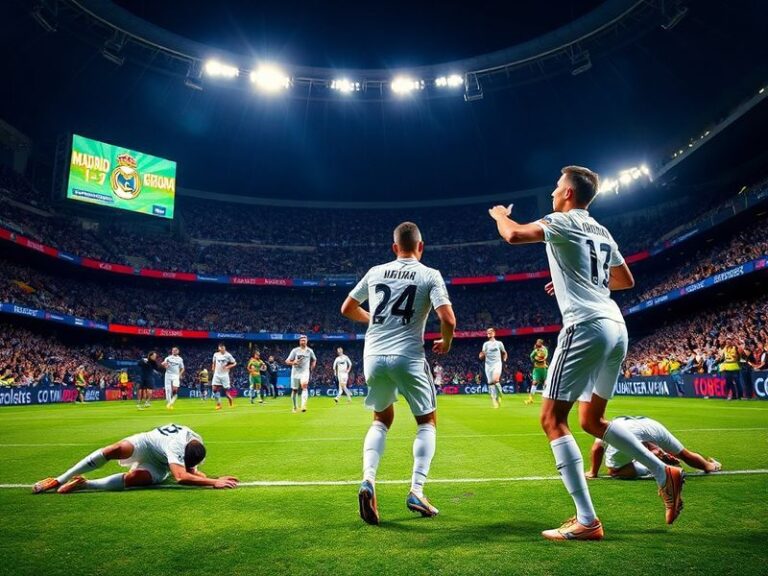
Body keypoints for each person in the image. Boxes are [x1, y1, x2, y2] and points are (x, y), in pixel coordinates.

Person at [489, 165, 684, 541]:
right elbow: (625, 280)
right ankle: (664, 472)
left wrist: (501, 216)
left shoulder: (562, 221)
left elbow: (513, 235)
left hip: (585, 326)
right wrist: (575, 273)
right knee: (592, 421)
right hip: (616, 327)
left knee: (551, 419)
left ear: (568, 194)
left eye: (556, 187)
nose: (551, 193)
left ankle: (587, 520)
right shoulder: (602, 230)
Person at [341, 221, 456, 525]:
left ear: (394, 247)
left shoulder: (376, 271)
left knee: (381, 418)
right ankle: (417, 489)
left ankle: (368, 480)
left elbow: (347, 308)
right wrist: (445, 342)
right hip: (408, 356)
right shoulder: (429, 274)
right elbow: (449, 319)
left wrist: (373, 322)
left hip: (373, 356)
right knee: (427, 421)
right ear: (421, 246)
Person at [32, 424, 238, 494]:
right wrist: (213, 482)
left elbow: (188, 471)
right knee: (115, 448)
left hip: (160, 463)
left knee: (133, 479)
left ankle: (85, 484)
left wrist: (207, 476)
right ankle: (58, 478)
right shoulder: (178, 445)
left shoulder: (197, 443)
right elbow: (181, 477)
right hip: (146, 442)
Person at [586, 416, 722, 479]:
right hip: (651, 425)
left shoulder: (607, 426)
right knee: (684, 454)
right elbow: (639, 438)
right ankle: (711, 466)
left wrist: (593, 472)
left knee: (615, 471)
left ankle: (654, 465)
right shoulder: (618, 420)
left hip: (628, 430)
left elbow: (597, 448)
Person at [285, 336, 317, 413]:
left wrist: (313, 365)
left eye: (304, 340)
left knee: (304, 386)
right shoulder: (295, 351)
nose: (303, 342)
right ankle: (295, 407)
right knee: (294, 390)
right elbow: (287, 361)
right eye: (301, 340)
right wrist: (293, 362)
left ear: (307, 341)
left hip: (305, 372)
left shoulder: (310, 351)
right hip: (295, 372)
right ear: (299, 342)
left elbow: (314, 359)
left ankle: (303, 405)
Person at [479, 328, 507, 408]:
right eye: (487, 332)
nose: (489, 333)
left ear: (494, 333)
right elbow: (482, 355)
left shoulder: (499, 343)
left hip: (497, 363)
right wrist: (481, 356)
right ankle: (494, 401)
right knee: (491, 383)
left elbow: (504, 353)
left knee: (496, 380)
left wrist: (504, 359)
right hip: (488, 365)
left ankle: (500, 394)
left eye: (490, 332)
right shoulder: (486, 344)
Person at [212, 343, 237, 411]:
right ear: (219, 348)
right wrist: (213, 369)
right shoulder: (215, 354)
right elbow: (213, 363)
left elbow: (235, 363)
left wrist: (228, 366)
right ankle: (218, 404)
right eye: (221, 348)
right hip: (217, 374)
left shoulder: (228, 355)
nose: (222, 349)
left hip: (224, 375)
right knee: (214, 389)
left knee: (226, 392)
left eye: (223, 348)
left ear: (224, 348)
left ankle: (231, 400)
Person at [718, 336, 742, 400]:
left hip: (734, 367)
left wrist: (736, 344)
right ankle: (733, 396)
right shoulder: (725, 348)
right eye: (726, 342)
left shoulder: (735, 348)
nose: (727, 343)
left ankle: (740, 396)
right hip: (727, 368)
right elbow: (720, 355)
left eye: (729, 341)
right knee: (729, 382)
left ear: (731, 342)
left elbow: (740, 353)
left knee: (737, 382)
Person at [527, 339, 548, 405]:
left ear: (541, 343)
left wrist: (541, 359)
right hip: (537, 369)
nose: (537, 343)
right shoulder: (536, 350)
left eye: (538, 342)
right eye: (537, 342)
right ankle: (530, 399)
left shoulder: (544, 349)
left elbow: (545, 356)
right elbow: (531, 356)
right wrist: (534, 360)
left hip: (544, 368)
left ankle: (546, 399)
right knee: (534, 382)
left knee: (545, 383)